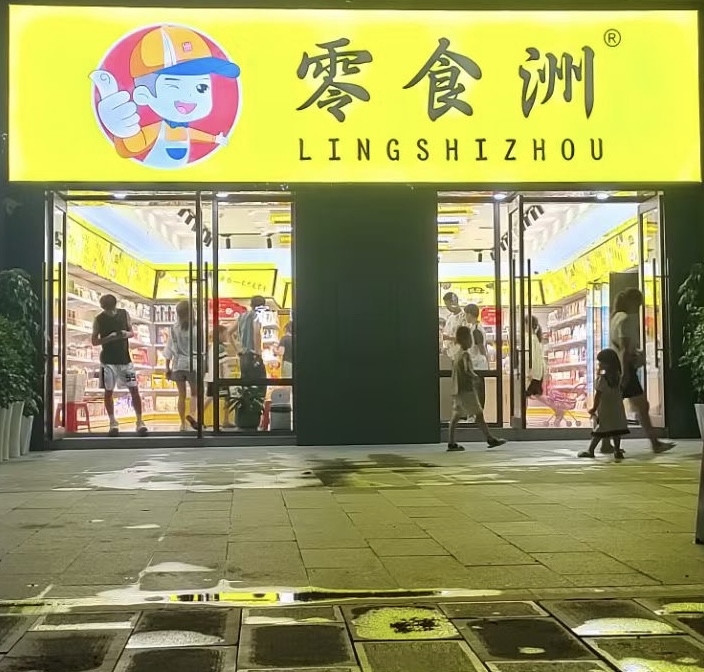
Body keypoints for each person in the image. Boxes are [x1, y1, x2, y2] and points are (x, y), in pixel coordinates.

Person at [610, 288, 674, 454]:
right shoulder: (626, 319)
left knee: (614, 405)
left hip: (616, 366)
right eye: (638, 304)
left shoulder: (615, 317)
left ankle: (603, 442)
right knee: (642, 406)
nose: (638, 307)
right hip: (625, 369)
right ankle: (655, 443)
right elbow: (624, 348)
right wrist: (626, 372)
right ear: (632, 302)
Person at [91, 294, 148, 437]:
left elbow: (131, 333)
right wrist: (108, 338)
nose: (109, 312)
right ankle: (113, 423)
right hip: (107, 362)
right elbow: (94, 341)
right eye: (107, 309)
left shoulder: (124, 314)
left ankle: (140, 421)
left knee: (134, 389)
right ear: (103, 307)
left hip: (125, 361)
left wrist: (124, 334)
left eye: (111, 308)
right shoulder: (99, 319)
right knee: (108, 391)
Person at [447, 326, 506, 452]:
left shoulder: (457, 354)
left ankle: (451, 442)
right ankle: (489, 438)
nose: (471, 341)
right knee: (478, 414)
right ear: (465, 339)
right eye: (470, 338)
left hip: (458, 390)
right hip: (467, 390)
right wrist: (475, 377)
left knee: (456, 416)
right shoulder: (465, 355)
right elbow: (467, 370)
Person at [579, 349, 629, 461]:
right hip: (617, 409)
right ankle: (617, 450)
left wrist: (593, 409)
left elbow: (598, 396)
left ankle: (590, 450)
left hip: (605, 409)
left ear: (608, 364)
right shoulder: (618, 378)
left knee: (599, 430)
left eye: (601, 362)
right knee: (616, 430)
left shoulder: (602, 379)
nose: (599, 364)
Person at [164, 300, 198, 432]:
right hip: (193, 365)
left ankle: (182, 423)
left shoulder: (174, 328)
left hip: (178, 365)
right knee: (195, 393)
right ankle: (193, 416)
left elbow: (169, 348)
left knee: (181, 395)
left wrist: (167, 367)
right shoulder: (197, 328)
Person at [237, 295, 267, 381]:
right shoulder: (257, 315)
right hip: (253, 356)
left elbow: (228, 332)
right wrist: (258, 353)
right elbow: (256, 331)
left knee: (246, 383)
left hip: (243, 356)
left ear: (251, 304)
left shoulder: (242, 316)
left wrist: (237, 349)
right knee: (259, 383)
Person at [464, 304, 488, 407]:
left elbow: (481, 347)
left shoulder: (476, 330)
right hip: (476, 364)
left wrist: (485, 357)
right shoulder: (474, 328)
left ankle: (477, 413)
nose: (465, 317)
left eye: (466, 314)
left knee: (477, 392)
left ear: (470, 314)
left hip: (477, 365)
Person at [525, 316, 547, 401]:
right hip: (537, 374)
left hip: (533, 374)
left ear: (527, 324)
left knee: (527, 395)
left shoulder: (530, 339)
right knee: (536, 396)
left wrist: (529, 371)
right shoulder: (535, 339)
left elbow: (530, 357)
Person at [441, 292, 465, 358]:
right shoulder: (449, 317)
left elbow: (464, 338)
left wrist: (448, 338)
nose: (447, 307)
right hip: (449, 353)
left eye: (448, 305)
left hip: (459, 354)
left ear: (454, 302)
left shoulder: (463, 317)